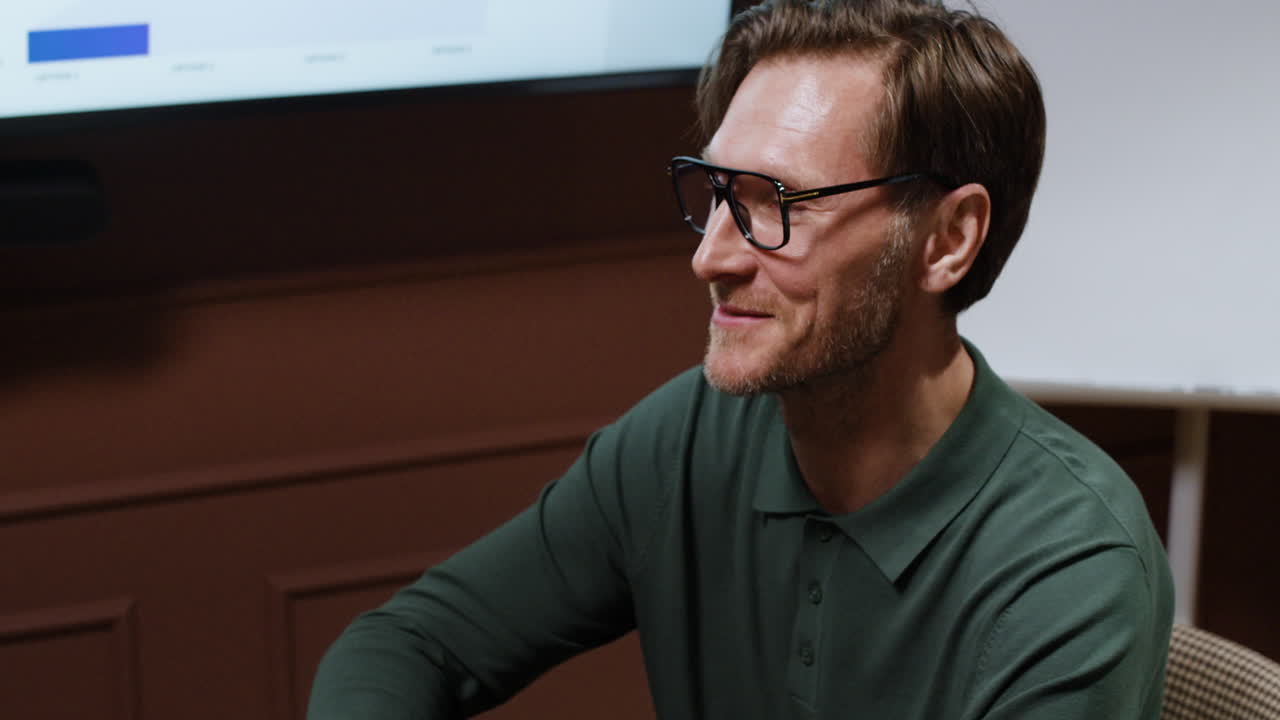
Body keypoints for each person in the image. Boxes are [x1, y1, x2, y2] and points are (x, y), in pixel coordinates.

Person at [308, 1, 1175, 718]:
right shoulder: (690, 436)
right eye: (718, 192)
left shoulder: (1071, 568)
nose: (710, 256)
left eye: (777, 202)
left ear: (948, 239)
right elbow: (408, 646)